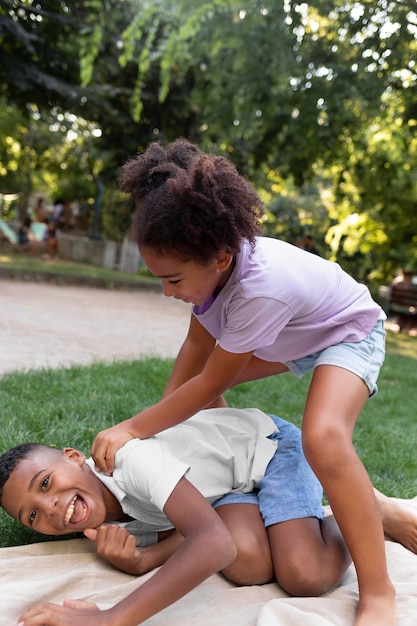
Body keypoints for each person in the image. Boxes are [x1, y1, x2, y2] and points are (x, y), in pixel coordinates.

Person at [90, 138, 391, 626]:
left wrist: (131, 428)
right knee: (202, 419)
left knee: (323, 436)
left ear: (222, 260)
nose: (168, 293)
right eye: (160, 280)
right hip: (290, 335)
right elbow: (194, 352)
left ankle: (379, 593)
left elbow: (209, 384)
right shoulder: (209, 278)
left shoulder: (258, 290)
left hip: (344, 329)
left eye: (173, 280)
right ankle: (353, 503)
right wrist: (164, 443)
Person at [1, 408, 417, 626]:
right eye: (33, 515)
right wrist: (141, 561)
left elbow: (210, 541)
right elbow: (192, 535)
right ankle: (340, 510)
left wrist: (112, 618)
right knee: (247, 564)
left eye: (44, 483)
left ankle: (364, 509)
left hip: (268, 450)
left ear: (73, 458)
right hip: (226, 494)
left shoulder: (128, 461)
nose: (51, 507)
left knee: (305, 574)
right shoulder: (100, 525)